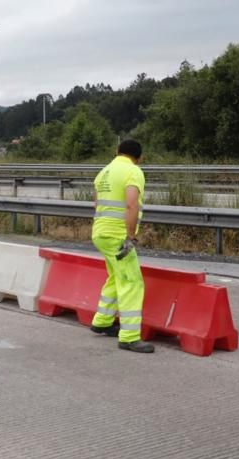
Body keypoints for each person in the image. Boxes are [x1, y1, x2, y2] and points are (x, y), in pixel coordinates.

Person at [89, 140, 154, 353]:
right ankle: (129, 337)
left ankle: (102, 320)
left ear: (116, 151)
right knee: (132, 282)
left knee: (116, 276)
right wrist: (130, 236)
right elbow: (131, 204)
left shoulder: (104, 172)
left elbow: (96, 204)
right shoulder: (133, 171)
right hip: (117, 236)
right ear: (139, 157)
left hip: (100, 233)